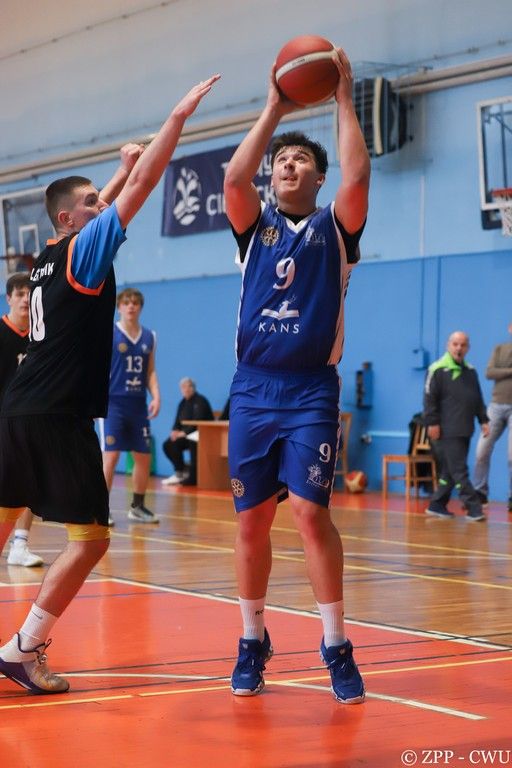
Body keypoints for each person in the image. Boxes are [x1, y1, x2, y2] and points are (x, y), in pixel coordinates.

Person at [0, 73, 220, 695]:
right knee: (92, 540)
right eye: (95, 201)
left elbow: (99, 202)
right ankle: (24, 648)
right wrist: (176, 120)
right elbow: (146, 186)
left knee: (4, 522)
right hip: (59, 413)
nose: (105, 205)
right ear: (71, 217)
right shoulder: (85, 251)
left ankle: (21, 647)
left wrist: (117, 171)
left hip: (16, 410)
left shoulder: (44, 258)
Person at [223, 47, 370, 703]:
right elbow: (234, 177)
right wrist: (274, 109)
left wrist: (343, 97)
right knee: (252, 522)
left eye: (300, 160)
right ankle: (252, 639)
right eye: (280, 159)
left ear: (318, 177)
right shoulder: (254, 228)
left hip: (311, 388)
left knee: (310, 513)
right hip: (253, 386)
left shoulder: (338, 228)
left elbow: (359, 174)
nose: (287, 164)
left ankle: (335, 644)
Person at [100, 288, 160, 524]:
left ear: (140, 307)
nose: (131, 306)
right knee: (111, 456)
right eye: (126, 303)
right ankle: (101, 508)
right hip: (113, 402)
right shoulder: (109, 333)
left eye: (135, 303)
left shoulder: (150, 336)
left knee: (143, 456)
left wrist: (156, 396)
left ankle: (138, 506)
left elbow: (150, 371)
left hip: (137, 403)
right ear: (119, 307)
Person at [0, 273, 43, 567]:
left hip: (29, 420)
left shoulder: (40, 336)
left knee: (28, 481)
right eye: (20, 293)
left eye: (30, 293)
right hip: (3, 419)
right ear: (9, 299)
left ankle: (20, 544)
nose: (26, 299)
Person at [424, 331, 489, 521]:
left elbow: (477, 398)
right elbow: (429, 398)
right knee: (459, 470)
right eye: (455, 344)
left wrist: (483, 420)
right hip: (446, 430)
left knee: (450, 470)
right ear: (448, 345)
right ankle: (474, 507)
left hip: (465, 428)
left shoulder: (471, 371)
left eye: (463, 345)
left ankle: (437, 504)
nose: (459, 348)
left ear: (468, 348)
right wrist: (432, 422)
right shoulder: (437, 369)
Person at [473, 322, 512, 512]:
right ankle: (479, 493)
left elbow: (496, 372)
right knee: (482, 450)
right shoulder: (499, 348)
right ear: (510, 328)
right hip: (496, 406)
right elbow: (489, 372)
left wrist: (501, 371)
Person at [161, 377, 214, 486]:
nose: (186, 389)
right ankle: (180, 472)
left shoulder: (200, 401)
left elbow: (198, 421)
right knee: (168, 444)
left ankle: (193, 476)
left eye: (188, 386)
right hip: (186, 435)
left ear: (193, 387)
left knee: (191, 440)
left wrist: (184, 433)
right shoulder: (182, 403)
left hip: (203, 434)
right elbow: (177, 421)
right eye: (183, 387)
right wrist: (175, 431)